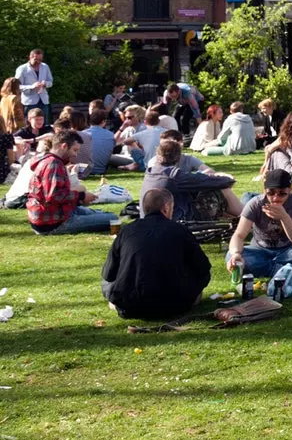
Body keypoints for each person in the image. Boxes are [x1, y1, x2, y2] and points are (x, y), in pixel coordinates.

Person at [101, 187, 212, 319]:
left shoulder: (126, 231)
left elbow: (108, 274)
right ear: (166, 208)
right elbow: (203, 268)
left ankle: (116, 302)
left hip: (131, 305)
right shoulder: (180, 230)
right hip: (175, 304)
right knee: (202, 276)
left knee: (106, 283)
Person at [227, 168, 292, 276]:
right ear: (264, 190)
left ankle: (270, 269)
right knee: (231, 255)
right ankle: (290, 270)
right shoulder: (256, 204)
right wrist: (235, 254)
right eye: (271, 193)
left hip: (287, 251)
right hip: (260, 250)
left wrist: (284, 217)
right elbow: (239, 235)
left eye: (282, 194)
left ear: (291, 189)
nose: (275, 198)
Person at [27, 129, 117, 234]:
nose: (76, 155)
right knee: (113, 218)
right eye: (75, 150)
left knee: (101, 213)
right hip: (53, 223)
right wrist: (82, 196)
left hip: (49, 216)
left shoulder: (47, 160)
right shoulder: (54, 164)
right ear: (64, 146)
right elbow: (53, 196)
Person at [141, 132, 245, 220]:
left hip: (149, 217)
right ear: (178, 157)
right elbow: (218, 182)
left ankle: (239, 218)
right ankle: (248, 218)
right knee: (222, 189)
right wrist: (226, 178)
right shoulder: (176, 176)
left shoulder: (150, 172)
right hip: (176, 219)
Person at [15, 48, 53, 115]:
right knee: (29, 124)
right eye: (36, 59)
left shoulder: (45, 66)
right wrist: (32, 86)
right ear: (30, 57)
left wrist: (45, 84)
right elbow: (17, 86)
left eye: (40, 60)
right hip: (29, 103)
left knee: (44, 124)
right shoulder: (22, 69)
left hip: (44, 101)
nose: (38, 62)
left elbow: (50, 82)